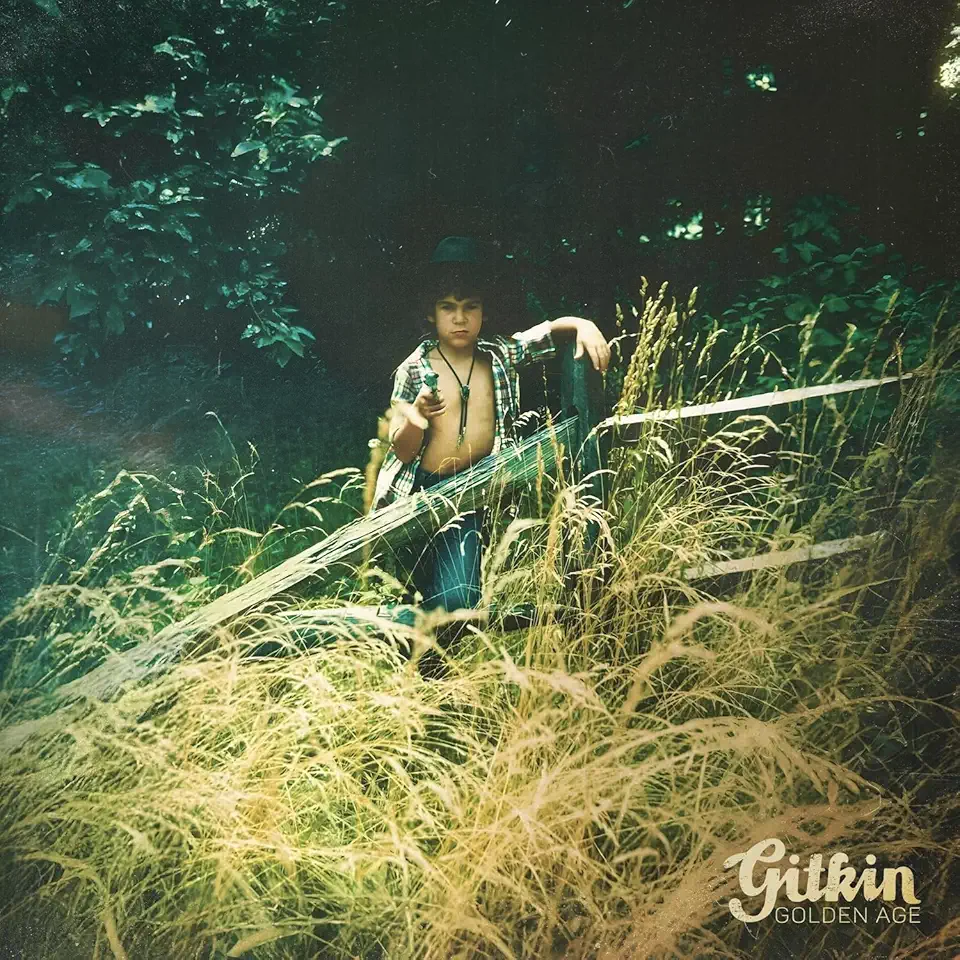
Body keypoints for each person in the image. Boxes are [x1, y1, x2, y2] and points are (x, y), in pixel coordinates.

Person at [373, 236, 610, 674]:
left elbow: (547, 332)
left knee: (458, 598)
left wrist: (582, 324)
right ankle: (420, 683)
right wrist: (418, 416)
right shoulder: (415, 368)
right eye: (448, 307)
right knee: (408, 592)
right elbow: (402, 451)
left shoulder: (499, 354)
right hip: (416, 496)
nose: (460, 318)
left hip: (470, 496)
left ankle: (428, 675)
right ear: (431, 313)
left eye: (471, 307)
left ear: (484, 311)